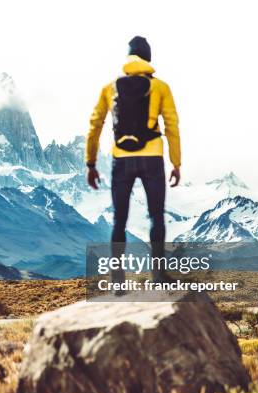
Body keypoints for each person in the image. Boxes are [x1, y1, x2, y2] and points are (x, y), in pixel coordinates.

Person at [85, 36, 181, 282]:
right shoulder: (160, 87)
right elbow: (172, 125)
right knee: (156, 216)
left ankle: (118, 279)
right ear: (148, 58)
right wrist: (176, 163)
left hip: (122, 159)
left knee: (119, 220)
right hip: (152, 158)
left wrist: (91, 163)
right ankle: (159, 275)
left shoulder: (110, 88)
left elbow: (95, 124)